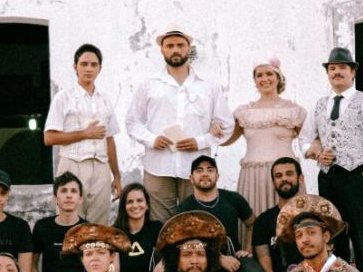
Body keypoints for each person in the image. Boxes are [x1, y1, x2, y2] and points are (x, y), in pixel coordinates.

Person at [124, 26, 234, 221]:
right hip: (157, 165)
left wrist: (199, 142)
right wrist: (151, 139)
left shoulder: (209, 85)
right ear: (162, 49)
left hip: (195, 167)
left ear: (189, 48)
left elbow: (226, 126)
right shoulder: (148, 84)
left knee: (195, 221)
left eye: (180, 45)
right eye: (170, 45)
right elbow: (133, 122)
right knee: (159, 223)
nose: (175, 49)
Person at [299, 47, 363, 272]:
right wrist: (315, 155)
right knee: (331, 233)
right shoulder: (320, 104)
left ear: (353, 72)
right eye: (332, 68)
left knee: (361, 235)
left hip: (356, 174)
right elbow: (305, 139)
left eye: (342, 67)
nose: (336, 72)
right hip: (328, 176)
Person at [220, 57, 307, 249]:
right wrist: (213, 130)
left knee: (292, 220)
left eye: (269, 74)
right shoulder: (244, 112)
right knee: (255, 218)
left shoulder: (294, 110)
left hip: (286, 174)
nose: (264, 78)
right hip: (254, 176)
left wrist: (318, 150)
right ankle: (254, 265)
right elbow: (226, 140)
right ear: (254, 80)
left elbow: (308, 140)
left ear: (278, 78)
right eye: (259, 75)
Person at [44, 43, 122, 224]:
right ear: (75, 66)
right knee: (70, 222)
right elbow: (49, 138)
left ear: (100, 68)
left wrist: (116, 175)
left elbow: (109, 139)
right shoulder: (63, 97)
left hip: (101, 167)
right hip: (72, 164)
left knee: (98, 224)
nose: (89, 69)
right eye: (84, 64)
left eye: (94, 65)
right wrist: (85, 134)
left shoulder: (105, 99)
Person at [171, 155, 269, 272]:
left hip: (233, 262)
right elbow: (180, 244)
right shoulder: (185, 208)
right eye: (199, 170)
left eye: (210, 170)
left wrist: (248, 250)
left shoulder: (233, 199)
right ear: (191, 178)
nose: (205, 174)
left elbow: (252, 224)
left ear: (217, 176)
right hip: (201, 265)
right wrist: (219, 258)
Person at [29, 172, 87, 272]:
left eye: (73, 191)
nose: (69, 195)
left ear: (80, 199)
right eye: (63, 191)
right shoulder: (43, 227)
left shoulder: (88, 229)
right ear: (55, 198)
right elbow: (31, 262)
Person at [251, 158, 307, 272]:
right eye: (278, 176)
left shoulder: (315, 216)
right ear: (273, 182)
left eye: (289, 174)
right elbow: (265, 263)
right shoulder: (263, 220)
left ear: (301, 178)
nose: (284, 179)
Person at [113, 182, 164, 272]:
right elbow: (114, 268)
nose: (135, 205)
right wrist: (113, 271)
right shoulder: (115, 233)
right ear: (123, 207)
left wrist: (161, 266)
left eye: (140, 200)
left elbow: (175, 253)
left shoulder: (156, 228)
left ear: (147, 205)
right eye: (130, 202)